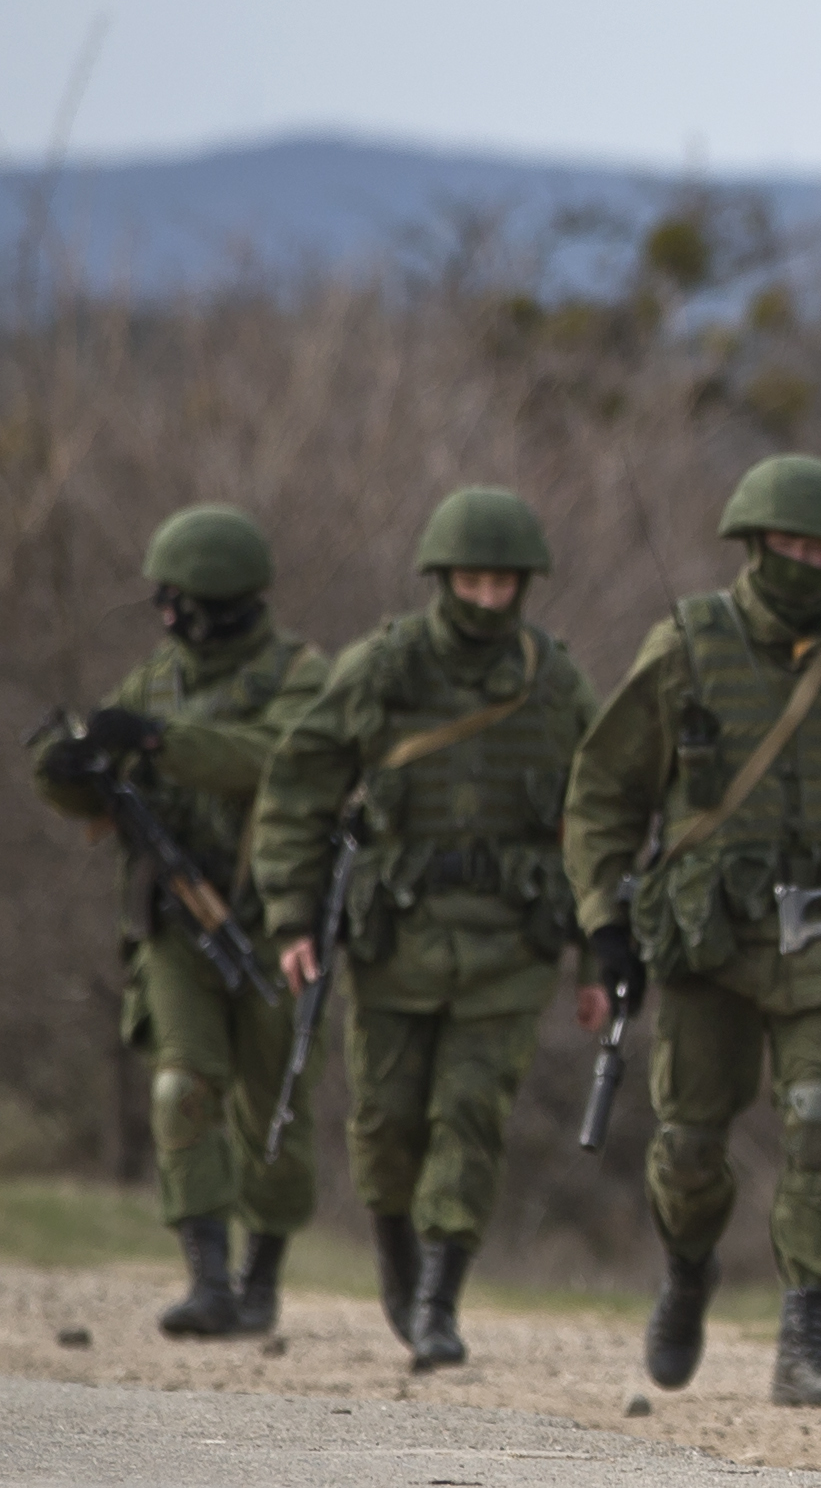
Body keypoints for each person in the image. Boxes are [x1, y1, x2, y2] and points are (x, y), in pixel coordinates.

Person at [565, 454, 821, 1409]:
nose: (802, 561)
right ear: (755, 543)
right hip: (705, 939)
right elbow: (604, 792)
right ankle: (687, 1271)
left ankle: (805, 1336)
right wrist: (605, 923)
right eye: (786, 544)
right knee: (689, 1142)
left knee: (817, 1121)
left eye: (819, 548)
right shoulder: (688, 644)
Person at [254, 487, 598, 1370]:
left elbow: (603, 826)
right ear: (442, 579)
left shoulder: (555, 682)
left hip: (511, 943)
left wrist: (602, 954)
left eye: (504, 585)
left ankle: (441, 1297)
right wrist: (293, 916)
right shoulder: (381, 668)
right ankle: (399, 1259)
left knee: (472, 1113)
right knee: (386, 1120)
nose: (487, 600)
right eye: (472, 582)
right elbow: (297, 788)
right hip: (393, 940)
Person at [31, 505, 330, 1337]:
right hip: (173, 920)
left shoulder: (299, 674)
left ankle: (261, 1275)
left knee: (276, 1103)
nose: (166, 614)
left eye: (180, 600)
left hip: (279, 922)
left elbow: (278, 758)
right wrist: (64, 772)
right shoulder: (155, 678)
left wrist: (164, 741)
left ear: (222, 600)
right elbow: (99, 772)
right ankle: (209, 1278)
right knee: (182, 1083)